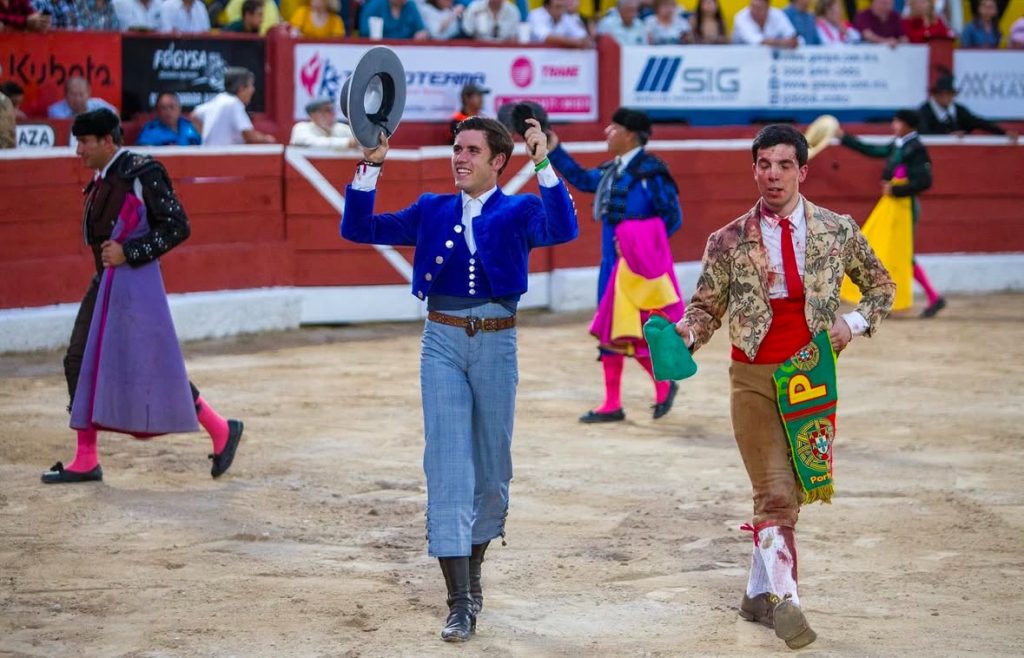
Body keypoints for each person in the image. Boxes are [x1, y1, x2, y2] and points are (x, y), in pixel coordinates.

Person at [340, 117, 578, 642]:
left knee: (492, 469)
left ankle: (471, 575)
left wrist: (543, 162)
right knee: (448, 466)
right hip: (441, 341)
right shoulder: (431, 209)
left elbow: (564, 229)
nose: (459, 157)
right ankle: (460, 600)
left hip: (497, 342)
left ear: (498, 161)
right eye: (456, 149)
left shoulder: (519, 209)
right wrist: (370, 166)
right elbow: (359, 229)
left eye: (471, 150)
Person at [674, 124, 895, 651]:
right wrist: (685, 336)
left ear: (802, 170)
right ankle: (787, 603)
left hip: (813, 378)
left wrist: (854, 323)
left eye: (783, 165)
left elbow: (881, 284)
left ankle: (757, 594)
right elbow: (705, 309)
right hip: (752, 377)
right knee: (773, 493)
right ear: (753, 169)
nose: (772, 175)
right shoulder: (726, 240)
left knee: (791, 492)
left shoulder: (836, 230)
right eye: (764, 165)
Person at [41, 108, 244, 484]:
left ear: (106, 141)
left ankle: (220, 428)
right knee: (78, 359)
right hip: (106, 281)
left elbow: (178, 227)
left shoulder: (141, 171)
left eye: (84, 143)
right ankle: (86, 458)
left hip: (134, 285)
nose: (77, 152)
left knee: (149, 365)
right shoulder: (106, 177)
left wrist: (128, 253)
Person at [547, 107, 684, 424]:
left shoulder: (652, 173)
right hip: (611, 262)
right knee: (611, 328)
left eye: (614, 127)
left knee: (637, 331)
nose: (607, 131)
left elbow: (672, 219)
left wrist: (639, 246)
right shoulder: (613, 171)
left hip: (638, 266)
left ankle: (663, 386)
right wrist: (554, 148)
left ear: (631, 135)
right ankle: (613, 402)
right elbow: (582, 179)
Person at [839, 110, 945, 318]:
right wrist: (844, 138)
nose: (894, 125)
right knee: (896, 251)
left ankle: (931, 297)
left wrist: (896, 190)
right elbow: (873, 150)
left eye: (898, 122)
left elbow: (925, 181)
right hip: (896, 205)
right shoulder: (901, 143)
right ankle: (931, 297)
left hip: (905, 206)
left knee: (901, 252)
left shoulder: (916, 148)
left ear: (908, 125)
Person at [918, 71, 1017, 139]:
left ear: (953, 95)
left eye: (949, 94)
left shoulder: (958, 110)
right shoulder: (924, 111)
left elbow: (978, 122)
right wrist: (947, 136)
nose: (945, 98)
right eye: (941, 94)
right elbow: (923, 132)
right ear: (935, 95)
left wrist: (1003, 132)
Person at [191, 67, 275, 145]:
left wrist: (210, 137)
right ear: (241, 88)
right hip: (225, 157)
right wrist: (267, 139)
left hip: (209, 155)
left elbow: (194, 115)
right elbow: (249, 135)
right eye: (250, 85)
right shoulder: (234, 103)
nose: (253, 90)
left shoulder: (219, 99)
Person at [137, 92, 202, 146]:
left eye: (172, 107)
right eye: (163, 108)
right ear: (157, 111)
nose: (168, 111)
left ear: (179, 109)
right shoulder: (150, 130)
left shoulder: (190, 126)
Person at [289, 97, 355, 148]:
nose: (332, 113)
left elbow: (359, 143)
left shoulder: (341, 128)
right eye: (327, 110)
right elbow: (312, 143)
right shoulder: (301, 128)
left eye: (332, 109)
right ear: (312, 115)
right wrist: (347, 143)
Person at [731, 0, 798, 47]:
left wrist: (792, 41)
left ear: (767, 7)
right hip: (742, 60)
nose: (754, 11)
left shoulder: (777, 14)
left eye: (758, 8)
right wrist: (783, 43)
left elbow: (792, 36)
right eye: (752, 6)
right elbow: (756, 41)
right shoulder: (741, 17)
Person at [527, 0, 591, 47]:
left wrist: (583, 41)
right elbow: (546, 37)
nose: (561, 11)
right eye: (558, 7)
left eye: (563, 7)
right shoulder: (536, 15)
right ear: (547, 7)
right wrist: (573, 42)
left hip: (557, 61)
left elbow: (582, 36)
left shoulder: (565, 17)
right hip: (536, 58)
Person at [48, 76, 117, 119]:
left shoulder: (98, 104)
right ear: (66, 95)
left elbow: (115, 114)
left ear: (88, 94)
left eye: (81, 94)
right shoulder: (55, 110)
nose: (78, 99)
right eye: (73, 94)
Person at [358, 0, 428, 39]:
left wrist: (421, 34)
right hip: (380, 50)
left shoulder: (411, 5)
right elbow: (364, 31)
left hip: (407, 52)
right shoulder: (375, 4)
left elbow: (421, 29)